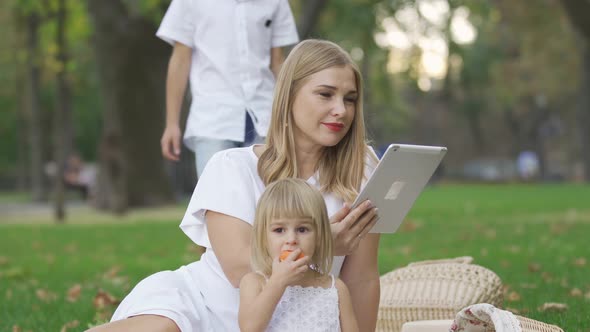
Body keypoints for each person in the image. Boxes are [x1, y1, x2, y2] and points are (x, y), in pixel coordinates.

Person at [88, 39, 380, 332]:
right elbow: (238, 267)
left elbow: (362, 278)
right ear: (289, 95)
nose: (340, 110)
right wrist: (323, 246)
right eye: (325, 94)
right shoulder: (232, 166)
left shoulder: (360, 172)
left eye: (350, 99)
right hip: (206, 308)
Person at [157, 0, 299, 177]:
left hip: (265, 117)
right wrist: (172, 124)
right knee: (215, 198)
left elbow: (277, 62)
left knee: (268, 198)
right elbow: (180, 60)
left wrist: (296, 113)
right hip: (213, 120)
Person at [239, 178, 359, 332]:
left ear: (319, 236)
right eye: (279, 230)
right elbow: (249, 328)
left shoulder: (336, 289)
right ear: (263, 237)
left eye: (302, 229)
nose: (291, 240)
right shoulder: (255, 283)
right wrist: (278, 282)